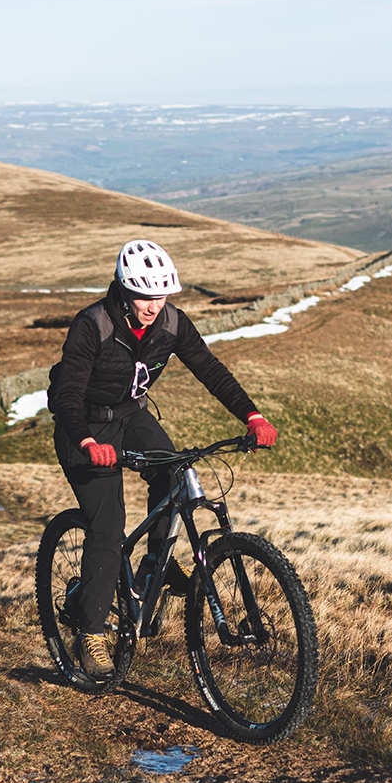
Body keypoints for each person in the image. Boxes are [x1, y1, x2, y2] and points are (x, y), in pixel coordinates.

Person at [47, 239, 278, 677]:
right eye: (142, 294)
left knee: (177, 475)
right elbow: (67, 397)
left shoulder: (171, 322)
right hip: (84, 427)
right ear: (123, 288)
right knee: (108, 523)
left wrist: (252, 415)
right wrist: (87, 443)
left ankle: (157, 564)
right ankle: (91, 634)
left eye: (161, 294)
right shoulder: (91, 325)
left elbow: (210, 369)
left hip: (132, 416)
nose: (153, 305)